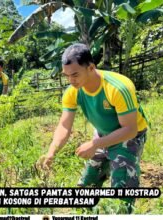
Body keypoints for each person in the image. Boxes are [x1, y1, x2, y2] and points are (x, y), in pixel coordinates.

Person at [40, 43, 148, 213]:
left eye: (75, 74)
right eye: (66, 76)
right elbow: (64, 125)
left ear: (91, 67)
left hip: (129, 138)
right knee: (86, 188)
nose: (71, 80)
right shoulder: (73, 91)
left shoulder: (118, 88)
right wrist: (51, 152)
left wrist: (95, 144)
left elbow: (130, 129)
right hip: (102, 135)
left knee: (122, 192)